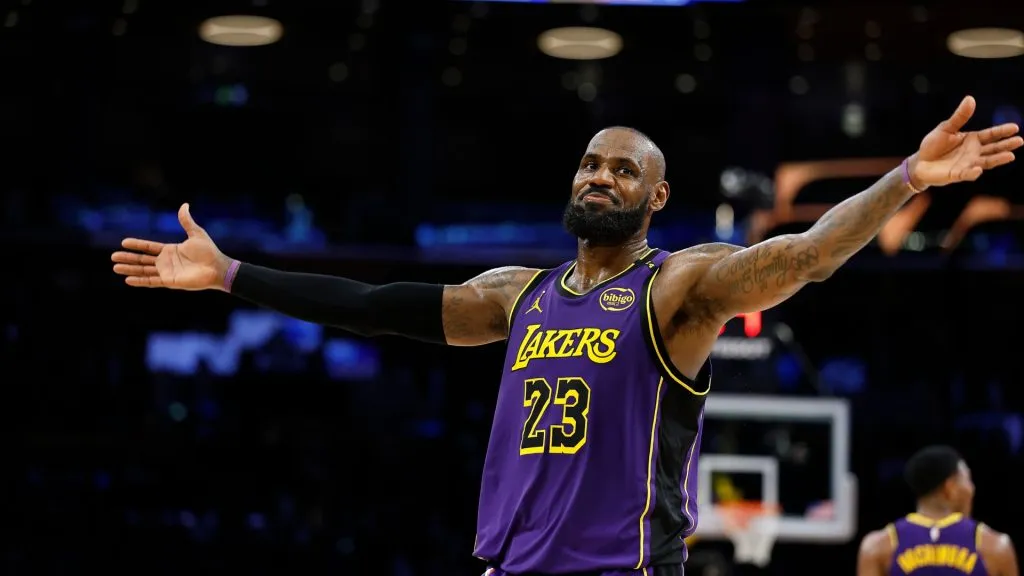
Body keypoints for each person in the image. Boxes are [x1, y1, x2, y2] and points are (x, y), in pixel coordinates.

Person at [112, 96, 1020, 576]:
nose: (600, 176)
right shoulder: (517, 296)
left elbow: (809, 255)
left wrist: (906, 177)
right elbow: (371, 303)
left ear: (656, 197)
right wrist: (232, 273)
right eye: (591, 161)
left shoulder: (679, 286)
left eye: (624, 170)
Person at [856, 445, 1018, 576]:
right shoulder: (995, 546)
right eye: (968, 479)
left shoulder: (877, 546)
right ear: (950, 487)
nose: (972, 489)